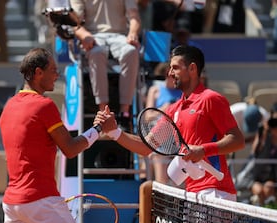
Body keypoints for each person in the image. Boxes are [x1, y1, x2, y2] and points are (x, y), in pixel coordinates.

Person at [96, 45, 245, 201]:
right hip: (192, 193)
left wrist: (202, 150)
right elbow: (146, 146)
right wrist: (114, 132)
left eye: (175, 68)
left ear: (192, 69)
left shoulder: (211, 99)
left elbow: (237, 140)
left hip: (216, 192)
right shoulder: (174, 109)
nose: (169, 73)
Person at [0, 48, 106, 223]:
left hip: (13, 204)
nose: (57, 75)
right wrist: (98, 129)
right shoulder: (44, 105)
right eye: (53, 70)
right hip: (40, 200)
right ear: (38, 72)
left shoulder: (8, 106)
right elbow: (71, 149)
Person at [69, 0, 141, 131]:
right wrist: (85, 36)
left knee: (131, 51)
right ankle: (103, 114)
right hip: (93, 35)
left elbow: (134, 17)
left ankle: (124, 114)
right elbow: (75, 23)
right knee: (97, 52)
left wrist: (133, 33)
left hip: (119, 36)